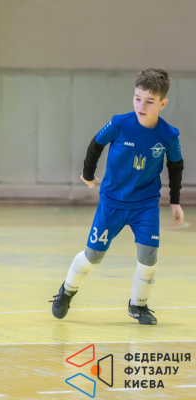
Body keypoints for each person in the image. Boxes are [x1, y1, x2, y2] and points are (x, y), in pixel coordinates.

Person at [50, 68, 184, 325]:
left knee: (149, 257)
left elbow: (176, 166)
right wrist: (88, 174)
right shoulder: (119, 124)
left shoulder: (169, 135)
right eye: (137, 98)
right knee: (94, 256)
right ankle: (66, 290)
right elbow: (96, 144)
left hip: (145, 205)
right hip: (112, 203)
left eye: (149, 101)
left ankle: (138, 305)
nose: (141, 105)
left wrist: (175, 200)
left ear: (163, 104)